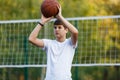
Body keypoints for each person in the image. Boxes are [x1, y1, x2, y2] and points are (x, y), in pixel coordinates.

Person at [28, 5, 78, 80]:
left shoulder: (70, 43)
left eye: (59, 27)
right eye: (55, 27)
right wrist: (42, 22)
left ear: (66, 30)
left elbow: (75, 32)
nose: (56, 29)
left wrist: (60, 16)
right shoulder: (49, 44)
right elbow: (31, 39)